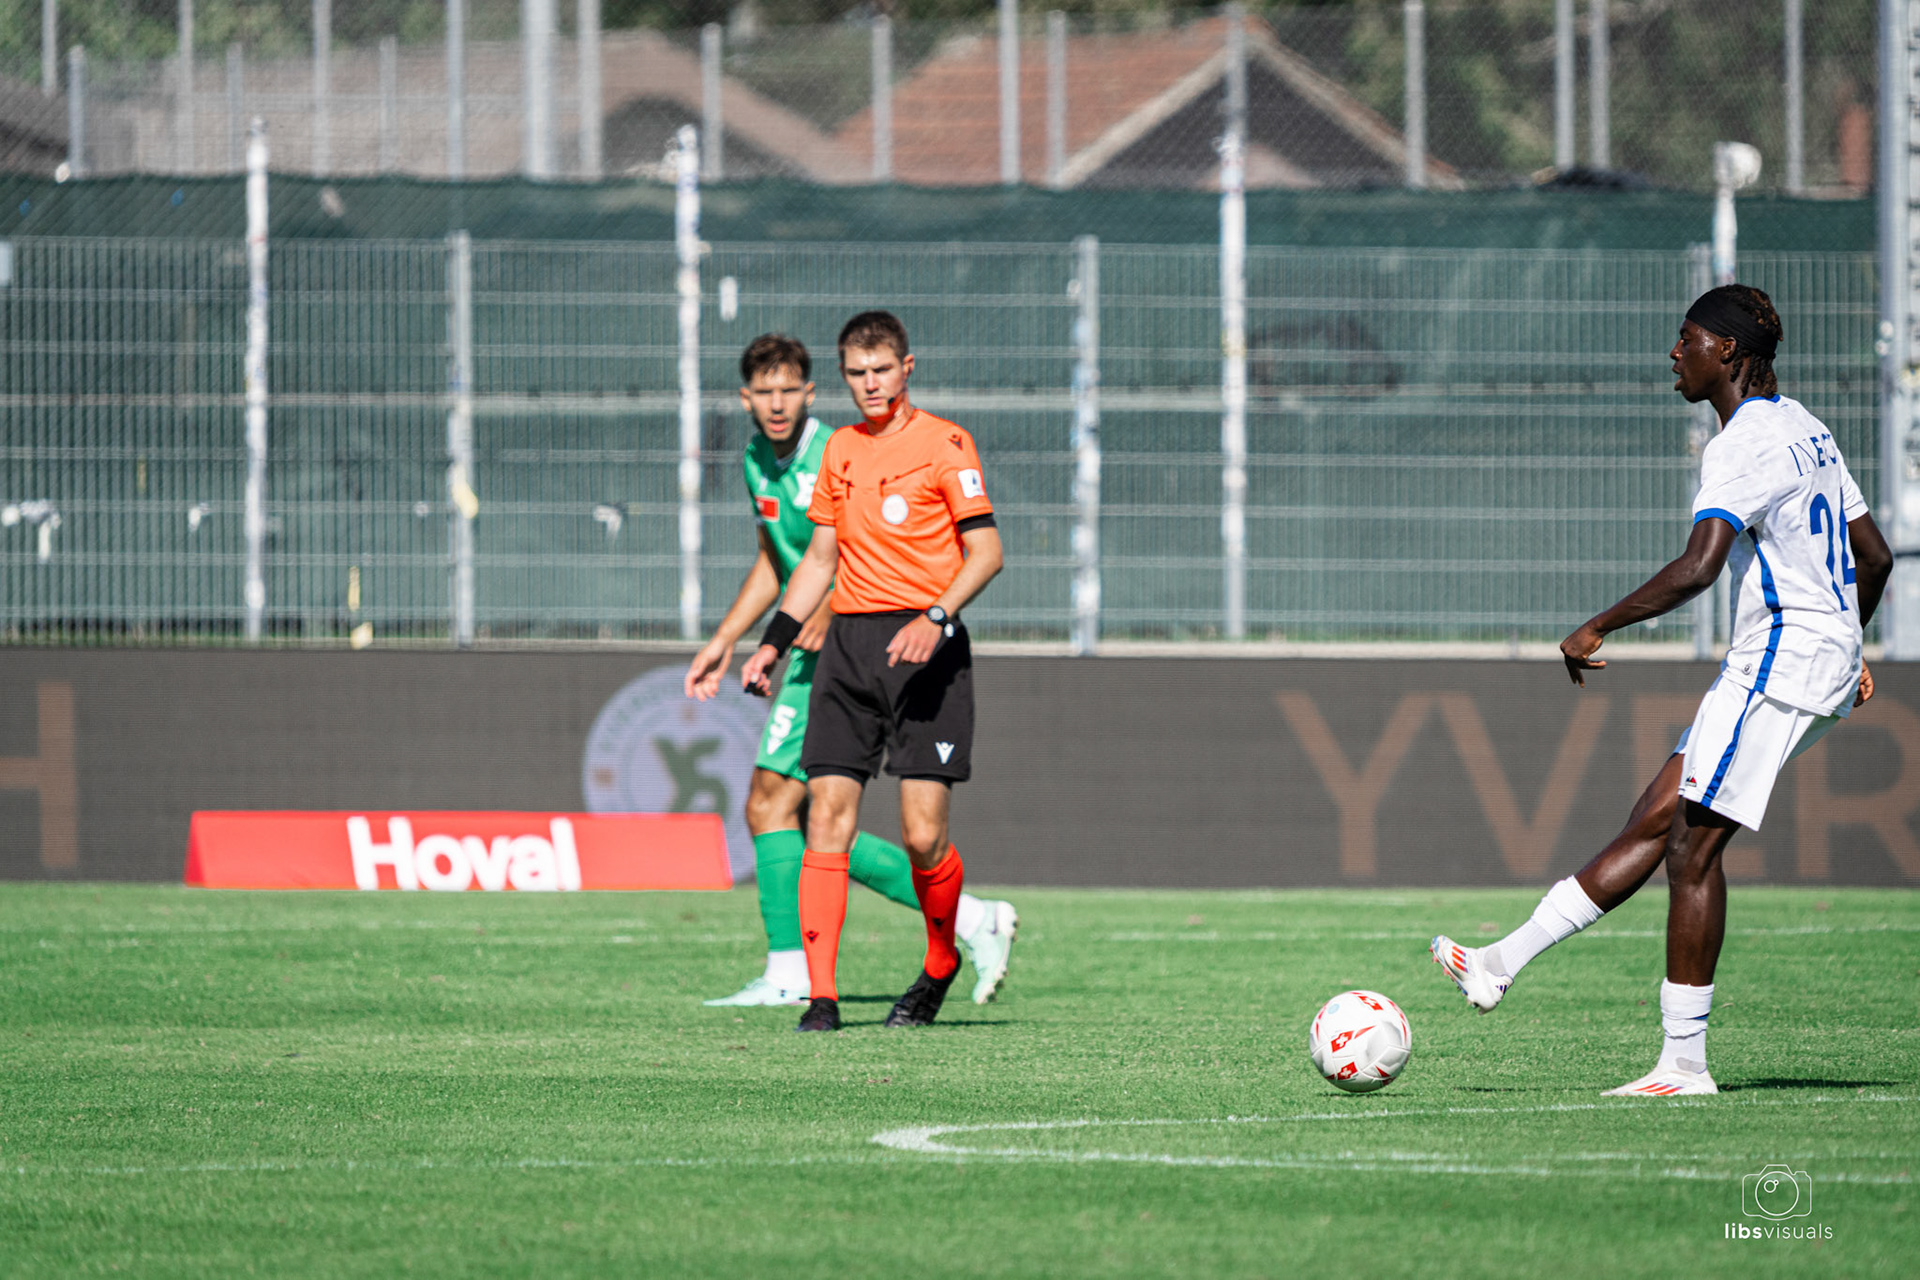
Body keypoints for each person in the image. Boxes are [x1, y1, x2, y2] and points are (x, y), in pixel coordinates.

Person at [1430, 284, 1894, 1097]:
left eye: (1686, 339)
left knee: (1691, 848)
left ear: (1728, 352)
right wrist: (1850, 640)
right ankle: (1498, 963)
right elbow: (1875, 555)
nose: (1673, 353)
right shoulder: (1807, 427)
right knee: (1658, 814)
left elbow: (1699, 565)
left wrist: (1596, 625)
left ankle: (1683, 1065)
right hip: (1814, 653)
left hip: (1781, 655)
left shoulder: (1743, 443)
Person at [686, 333, 1018, 1009]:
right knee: (797, 808)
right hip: (833, 653)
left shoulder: (914, 446)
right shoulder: (772, 458)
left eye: (789, 390)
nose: (776, 404)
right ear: (745, 398)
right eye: (764, 391)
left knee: (828, 814)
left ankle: (960, 926)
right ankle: (812, 988)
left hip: (894, 646)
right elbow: (796, 559)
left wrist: (931, 617)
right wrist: (749, 640)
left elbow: (967, 550)